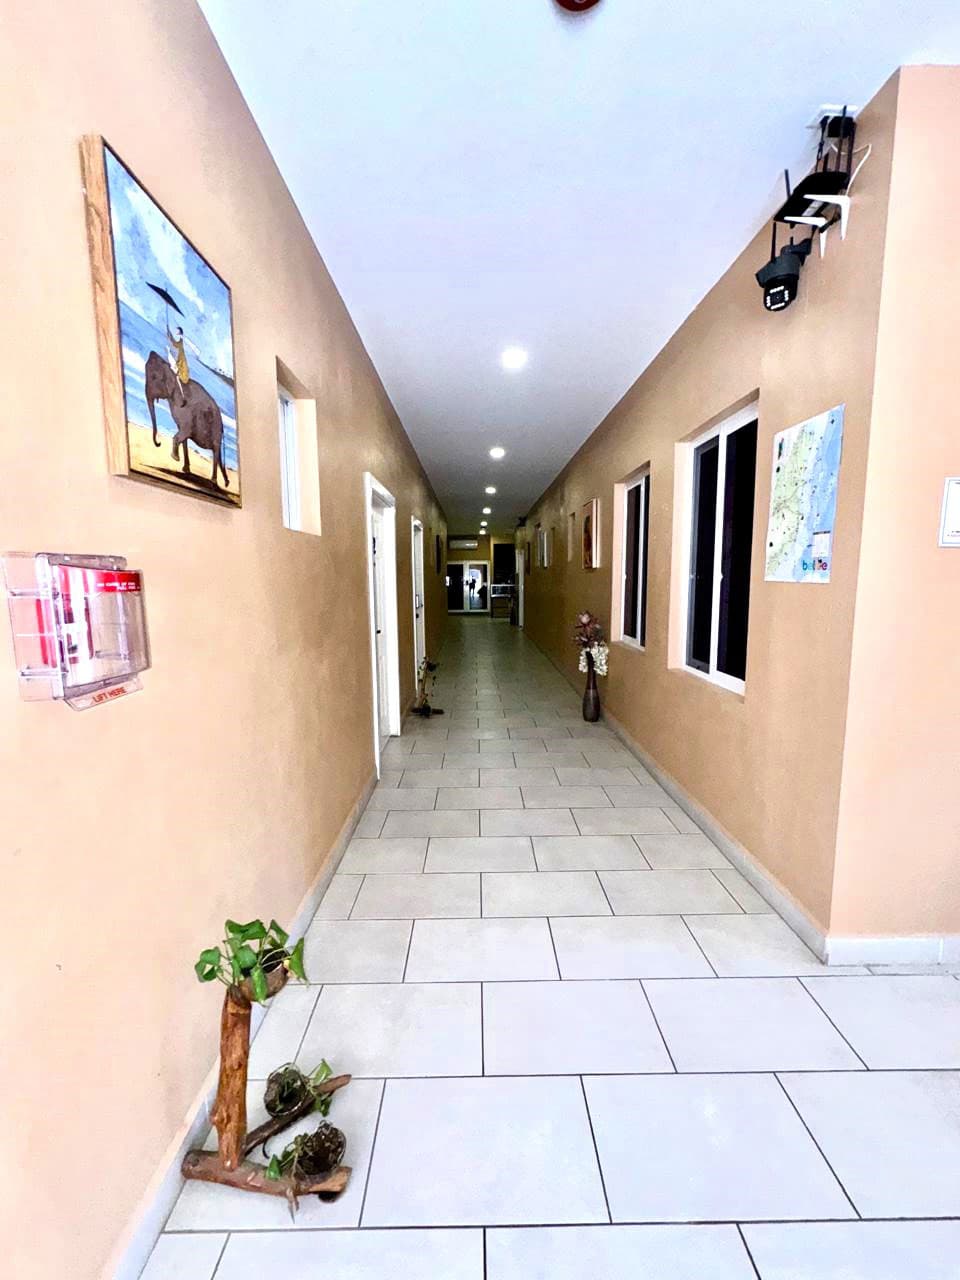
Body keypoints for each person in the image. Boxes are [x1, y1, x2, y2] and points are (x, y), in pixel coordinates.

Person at [167, 326, 190, 405]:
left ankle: (183, 398)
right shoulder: (180, 342)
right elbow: (174, 343)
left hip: (182, 365)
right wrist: (169, 334)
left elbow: (176, 344)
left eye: (178, 333)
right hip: (180, 363)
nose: (177, 334)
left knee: (179, 380)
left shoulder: (182, 341)